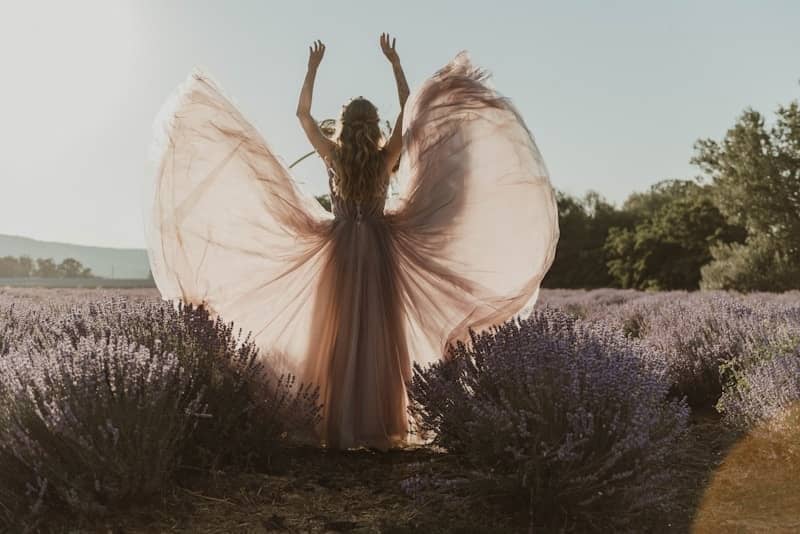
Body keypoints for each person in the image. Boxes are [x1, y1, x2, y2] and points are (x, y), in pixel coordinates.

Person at [146, 33, 559, 451]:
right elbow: (409, 116)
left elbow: (302, 115)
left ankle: (337, 425)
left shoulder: (333, 157)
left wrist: (312, 70)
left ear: (343, 128)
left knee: (339, 332)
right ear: (373, 126)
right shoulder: (384, 159)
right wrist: (396, 66)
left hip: (340, 251)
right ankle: (383, 424)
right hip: (380, 251)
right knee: (381, 333)